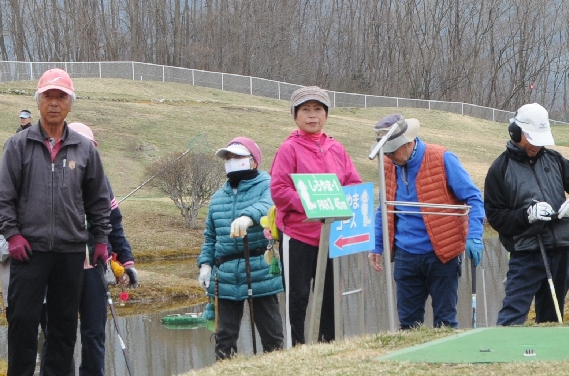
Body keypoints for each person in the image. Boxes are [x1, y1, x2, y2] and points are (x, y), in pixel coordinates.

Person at [0, 68, 111, 376]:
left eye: (61, 97)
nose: (54, 103)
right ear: (38, 101)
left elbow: (98, 200)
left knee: (62, 320)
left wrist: (100, 239)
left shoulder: (85, 149)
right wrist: (12, 235)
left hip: (71, 248)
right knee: (23, 320)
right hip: (28, 250)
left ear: (70, 105)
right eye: (48, 97)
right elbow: (4, 198)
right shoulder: (18, 145)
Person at [484, 104, 569, 326]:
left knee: (552, 319)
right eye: (532, 139)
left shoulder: (554, 160)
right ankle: (504, 357)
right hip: (526, 253)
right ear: (516, 133)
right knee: (512, 315)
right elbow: (496, 218)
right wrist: (528, 215)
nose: (537, 145)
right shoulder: (500, 169)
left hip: (561, 250)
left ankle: (547, 360)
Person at [368, 114, 485, 330]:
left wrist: (474, 235)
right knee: (408, 324)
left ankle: (448, 362)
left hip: (442, 254)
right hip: (405, 255)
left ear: (409, 142)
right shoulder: (388, 164)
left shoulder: (442, 158)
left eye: (393, 151)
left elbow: (474, 198)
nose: (390, 156)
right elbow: (383, 206)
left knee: (445, 321)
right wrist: (377, 244)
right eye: (386, 152)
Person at [269, 86, 362, 346]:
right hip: (298, 235)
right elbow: (279, 190)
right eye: (306, 110)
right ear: (295, 115)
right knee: (297, 297)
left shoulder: (337, 149)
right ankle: (296, 349)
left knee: (331, 297)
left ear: (326, 114)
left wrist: (343, 201)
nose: (312, 115)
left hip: (331, 237)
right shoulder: (289, 148)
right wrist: (312, 204)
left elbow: (353, 183)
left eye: (318, 109)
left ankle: (328, 346)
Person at [198, 137, 285, 359]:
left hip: (259, 266)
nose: (231, 161)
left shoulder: (267, 184)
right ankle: (226, 375)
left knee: (271, 334)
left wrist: (248, 217)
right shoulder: (218, 197)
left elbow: (269, 204)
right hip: (225, 272)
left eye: (237, 157)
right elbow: (210, 236)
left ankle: (277, 371)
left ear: (253, 161)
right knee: (224, 336)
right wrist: (205, 264)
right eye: (228, 158)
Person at [68, 122, 137, 376]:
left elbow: (114, 224)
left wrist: (127, 263)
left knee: (94, 332)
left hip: (95, 268)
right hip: (62, 267)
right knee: (61, 332)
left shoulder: (101, 180)